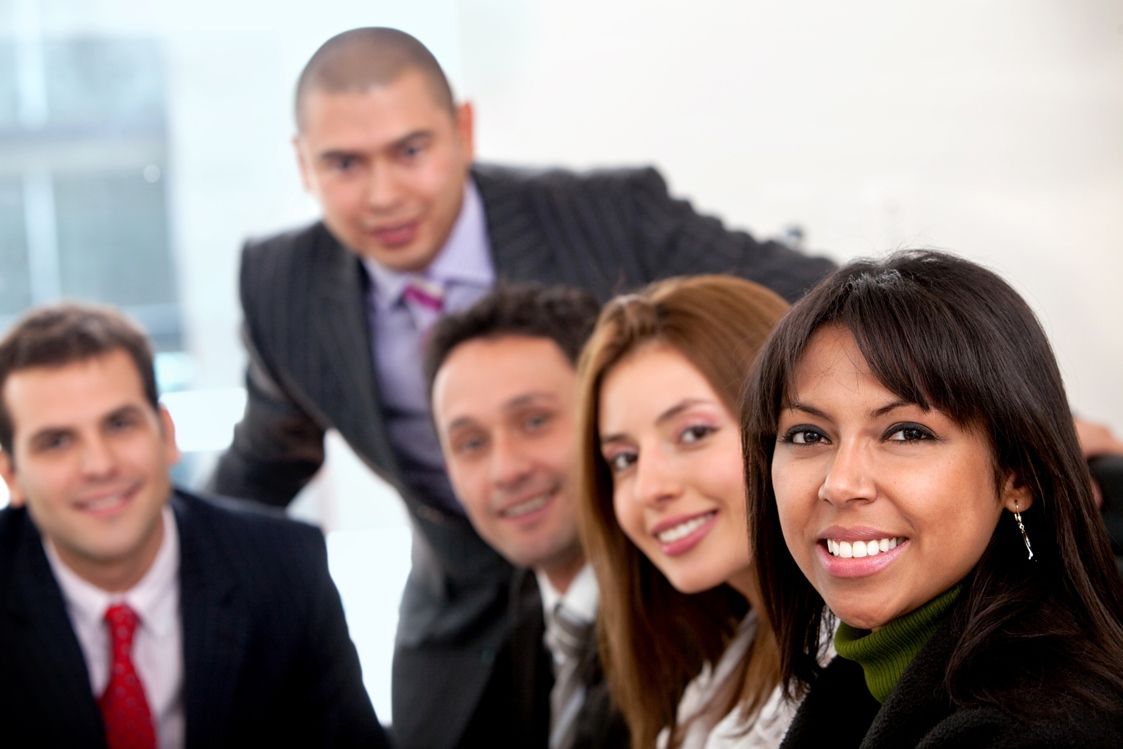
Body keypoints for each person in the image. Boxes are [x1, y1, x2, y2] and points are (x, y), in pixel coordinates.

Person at [208, 25, 834, 748]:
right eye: (345, 164)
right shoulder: (280, 284)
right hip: (458, 621)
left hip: (648, 585)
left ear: (463, 129)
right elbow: (264, 458)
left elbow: (817, 311)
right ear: (303, 164)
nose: (383, 194)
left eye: (411, 151)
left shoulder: (603, 216)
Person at [742, 251, 1123, 747]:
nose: (840, 484)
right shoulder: (867, 677)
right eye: (809, 435)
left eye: (906, 434)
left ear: (1018, 477)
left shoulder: (1045, 729)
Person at [0, 303, 388, 749]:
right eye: (57, 442)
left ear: (167, 434)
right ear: (11, 474)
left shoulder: (285, 569)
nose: (99, 465)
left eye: (120, 424)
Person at [574, 275, 798, 749]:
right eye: (623, 459)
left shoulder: (861, 669)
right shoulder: (720, 672)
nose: (649, 488)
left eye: (693, 433)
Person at [425, 282, 627, 748]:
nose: (506, 471)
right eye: (470, 443)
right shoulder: (511, 629)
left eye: (535, 421)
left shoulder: (701, 622)